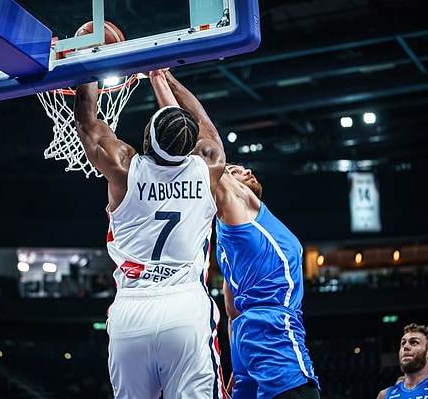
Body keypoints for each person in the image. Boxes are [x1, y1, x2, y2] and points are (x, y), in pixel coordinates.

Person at [74, 68, 227, 399]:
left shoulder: (124, 167)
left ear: (146, 140)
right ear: (189, 147)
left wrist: (87, 65)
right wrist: (164, 77)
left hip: (132, 309)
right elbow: (207, 130)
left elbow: (88, 125)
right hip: (185, 306)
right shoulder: (208, 165)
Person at [214, 163, 321, 399]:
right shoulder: (241, 209)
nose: (247, 170)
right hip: (273, 328)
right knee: (303, 391)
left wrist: (241, 360)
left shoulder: (225, 242)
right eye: (235, 171)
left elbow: (233, 313)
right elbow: (211, 162)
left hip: (247, 339)